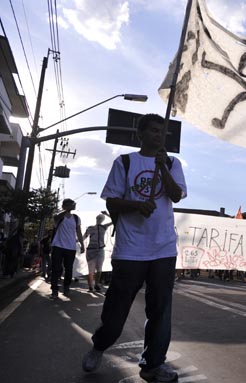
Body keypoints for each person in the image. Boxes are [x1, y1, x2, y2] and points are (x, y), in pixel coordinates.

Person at [82, 113, 187, 383]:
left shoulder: (173, 163)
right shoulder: (125, 162)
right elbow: (112, 203)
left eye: (161, 132)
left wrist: (162, 167)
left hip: (163, 249)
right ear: (140, 133)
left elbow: (176, 195)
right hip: (130, 249)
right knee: (117, 309)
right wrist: (136, 205)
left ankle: (152, 365)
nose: (158, 135)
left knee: (160, 310)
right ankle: (100, 346)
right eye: (153, 130)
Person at [51, 199, 85, 298]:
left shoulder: (76, 218)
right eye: (71, 204)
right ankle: (54, 290)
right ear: (64, 206)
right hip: (58, 246)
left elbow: (79, 232)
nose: (73, 206)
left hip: (71, 247)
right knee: (56, 268)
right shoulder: (59, 216)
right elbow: (55, 218)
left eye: (73, 204)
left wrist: (82, 245)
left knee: (69, 269)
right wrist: (66, 210)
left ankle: (66, 288)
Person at [83, 211, 113, 292]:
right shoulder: (90, 228)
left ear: (103, 220)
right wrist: (77, 241)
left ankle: (96, 284)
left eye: (101, 218)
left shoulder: (104, 227)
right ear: (96, 219)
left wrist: (107, 214)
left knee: (99, 268)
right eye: (98, 218)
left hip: (100, 249)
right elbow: (83, 237)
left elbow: (114, 220)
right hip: (91, 250)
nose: (99, 219)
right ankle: (90, 286)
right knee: (91, 269)